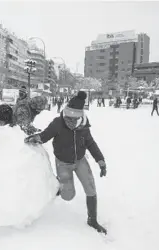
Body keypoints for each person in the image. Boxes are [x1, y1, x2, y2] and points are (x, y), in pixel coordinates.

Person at [24, 91, 107, 234]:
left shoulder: (84, 127)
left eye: (73, 120)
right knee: (68, 196)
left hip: (80, 161)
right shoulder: (58, 123)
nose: (70, 122)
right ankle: (57, 184)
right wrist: (35, 138)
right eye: (68, 118)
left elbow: (91, 144)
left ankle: (92, 220)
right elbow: (45, 136)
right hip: (63, 163)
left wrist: (101, 161)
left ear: (80, 117)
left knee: (91, 188)